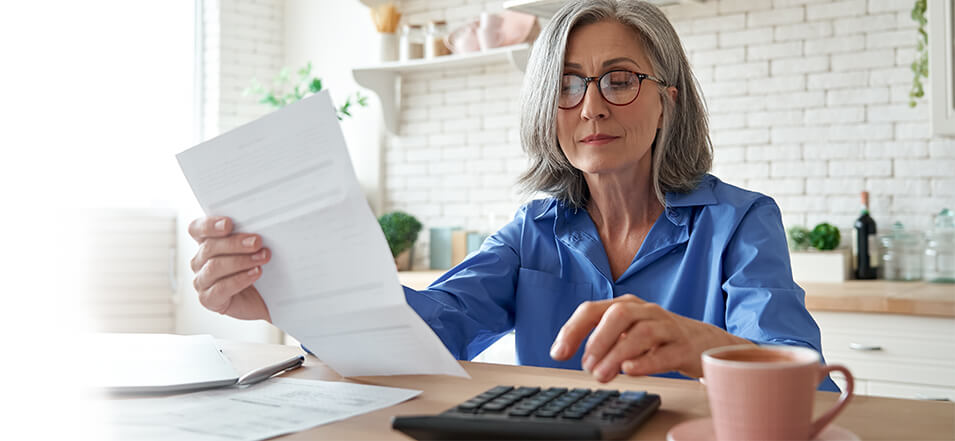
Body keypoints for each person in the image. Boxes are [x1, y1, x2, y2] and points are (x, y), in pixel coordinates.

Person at [188, 0, 838, 391]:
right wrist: (288, 294)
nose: (589, 106)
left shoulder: (739, 222)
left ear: (666, 101)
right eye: (566, 83)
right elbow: (428, 328)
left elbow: (810, 383)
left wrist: (698, 344)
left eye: (617, 80)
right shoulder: (533, 231)